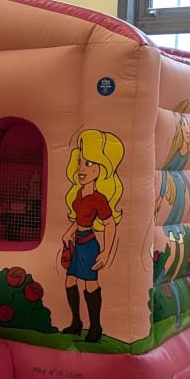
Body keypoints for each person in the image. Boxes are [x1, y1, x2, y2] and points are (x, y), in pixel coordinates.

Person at [61, 129, 125, 342]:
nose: (82, 168)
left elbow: (109, 223)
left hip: (89, 245)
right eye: (80, 162)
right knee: (70, 281)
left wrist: (105, 252)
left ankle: (95, 327)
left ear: (101, 168)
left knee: (90, 284)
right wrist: (69, 232)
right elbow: (79, 219)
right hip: (78, 243)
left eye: (88, 163)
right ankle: (76, 322)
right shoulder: (79, 194)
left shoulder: (99, 199)